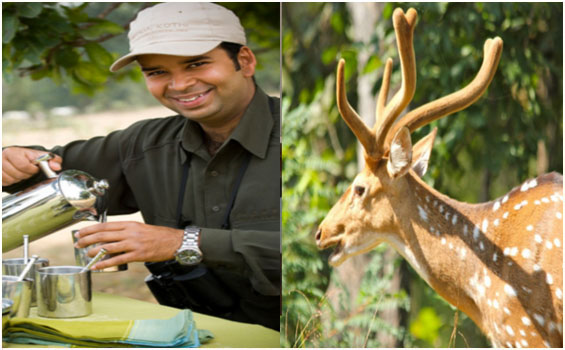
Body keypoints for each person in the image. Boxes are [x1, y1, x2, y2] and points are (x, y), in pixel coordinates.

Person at [2, 3, 280, 331]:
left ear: (244, 61)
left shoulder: (309, 138)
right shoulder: (144, 144)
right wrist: (16, 158)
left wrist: (183, 243)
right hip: (196, 334)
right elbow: (50, 168)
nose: (179, 84)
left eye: (197, 63)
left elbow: (332, 248)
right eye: (157, 72)